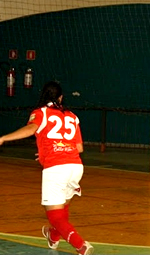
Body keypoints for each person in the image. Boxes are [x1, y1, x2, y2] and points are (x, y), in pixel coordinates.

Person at [0, 81, 94, 255]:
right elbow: (79, 148)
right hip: (75, 166)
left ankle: (81, 245)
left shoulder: (40, 113)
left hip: (57, 168)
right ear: (61, 97)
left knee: (55, 216)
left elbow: (31, 129)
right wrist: (48, 151)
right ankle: (53, 236)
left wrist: (4, 138)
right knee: (62, 210)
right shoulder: (72, 116)